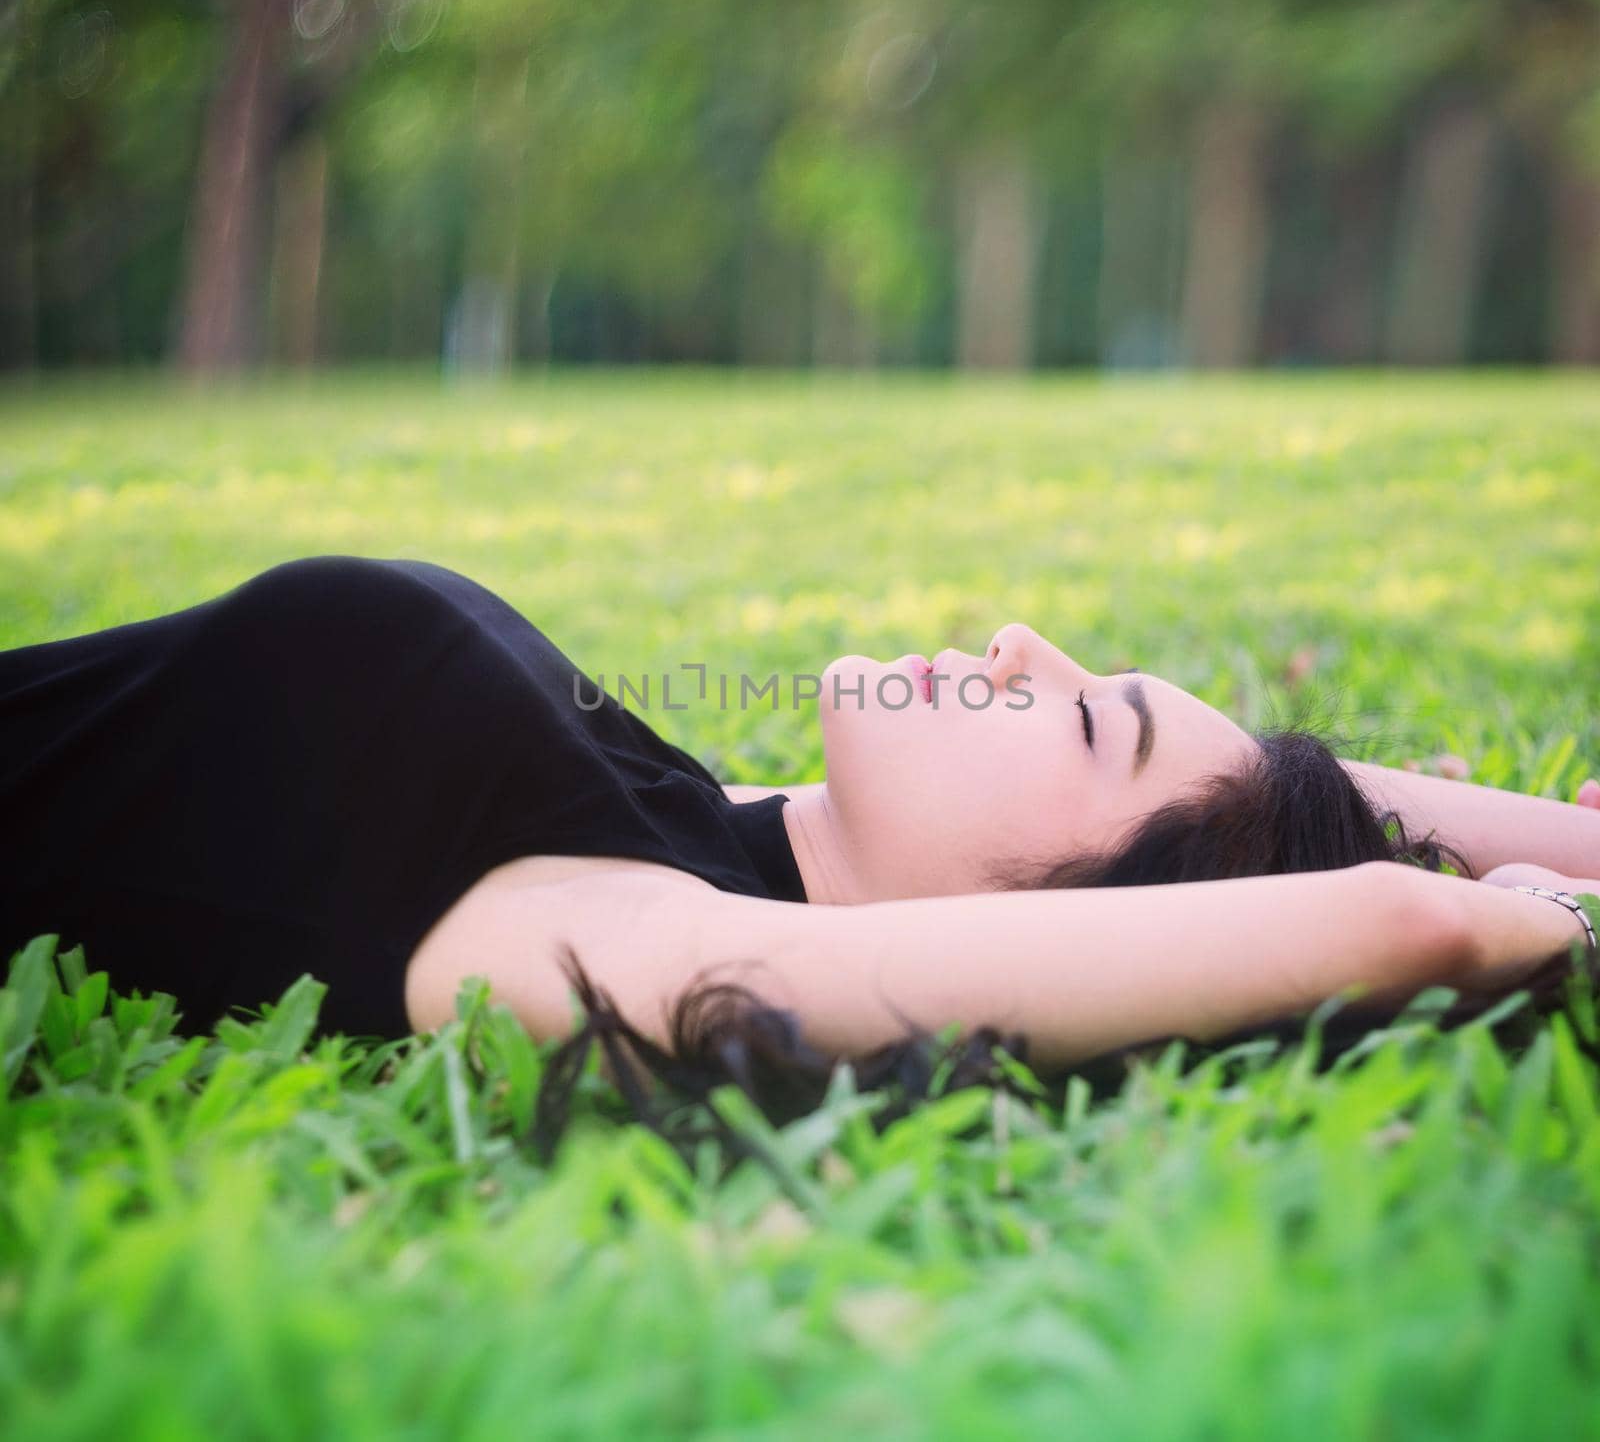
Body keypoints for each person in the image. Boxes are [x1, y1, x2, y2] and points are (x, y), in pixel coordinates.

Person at [3, 555, 1597, 1116]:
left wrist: (1508, 921)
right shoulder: (714, 821)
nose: (1023, 642)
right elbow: (1273, 802)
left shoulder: (629, 915)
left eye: (1088, 715)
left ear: (1065, 915)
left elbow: (1391, 918)